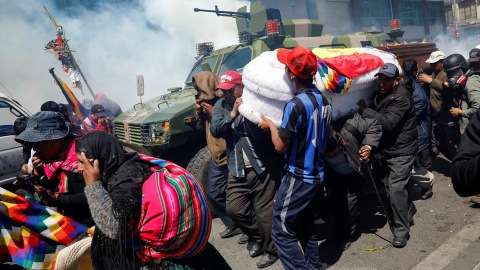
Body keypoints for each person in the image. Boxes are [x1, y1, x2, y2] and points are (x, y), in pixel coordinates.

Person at [75, 131, 231, 270]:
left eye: (81, 162)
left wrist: (93, 185)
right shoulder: (128, 167)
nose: (79, 168)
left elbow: (115, 227)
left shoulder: (127, 180)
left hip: (165, 262)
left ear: (95, 160)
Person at [258, 46, 331, 270]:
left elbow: (280, 147)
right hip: (318, 175)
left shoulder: (295, 105)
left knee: (280, 229)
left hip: (299, 177)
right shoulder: (324, 99)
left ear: (291, 75)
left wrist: (270, 125)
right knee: (305, 227)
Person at [211, 70, 281, 268]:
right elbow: (215, 130)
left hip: (261, 166)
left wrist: (247, 113)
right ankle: (259, 236)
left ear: (241, 87)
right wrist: (232, 115)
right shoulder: (221, 106)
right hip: (237, 167)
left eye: (230, 90)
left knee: (264, 213)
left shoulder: (255, 103)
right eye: (223, 91)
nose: (226, 94)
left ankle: (271, 249)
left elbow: (264, 133)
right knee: (235, 209)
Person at [358, 63, 418, 248]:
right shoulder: (381, 95)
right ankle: (404, 214)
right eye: (380, 79)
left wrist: (365, 110)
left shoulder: (401, 98)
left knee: (396, 188)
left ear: (397, 80)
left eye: (386, 79)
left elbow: (388, 123)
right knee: (389, 186)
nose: (381, 83)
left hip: (402, 150)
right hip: (386, 150)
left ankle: (401, 230)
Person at [192, 71, 246, 243]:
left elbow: (229, 126)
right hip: (216, 157)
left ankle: (248, 227)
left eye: (200, 89)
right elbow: (210, 128)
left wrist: (213, 110)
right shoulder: (207, 104)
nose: (199, 94)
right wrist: (201, 114)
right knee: (213, 193)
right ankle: (233, 224)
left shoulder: (223, 102)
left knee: (239, 198)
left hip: (227, 155)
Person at [14, 111, 93, 227]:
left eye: (39, 142)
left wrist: (58, 200)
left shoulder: (82, 156)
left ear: (57, 139)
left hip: (93, 225)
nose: (35, 148)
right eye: (33, 144)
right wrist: (38, 173)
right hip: (73, 224)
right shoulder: (53, 161)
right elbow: (55, 186)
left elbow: (96, 194)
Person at [323, 115, 382, 251]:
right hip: (334, 174)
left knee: (348, 205)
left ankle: (344, 236)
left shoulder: (351, 126)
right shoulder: (314, 140)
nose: (332, 156)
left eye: (334, 153)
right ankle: (343, 222)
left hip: (356, 171)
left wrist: (367, 146)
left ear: (340, 142)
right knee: (333, 202)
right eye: (328, 156)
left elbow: (375, 124)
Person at [402, 60, 435, 200]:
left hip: (419, 131)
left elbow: (413, 116)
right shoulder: (407, 86)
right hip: (411, 131)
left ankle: (427, 186)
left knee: (423, 159)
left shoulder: (419, 95)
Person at [418, 51, 460, 160]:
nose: (432, 66)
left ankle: (459, 168)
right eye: (431, 64)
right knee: (439, 144)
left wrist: (431, 81)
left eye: (435, 63)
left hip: (448, 115)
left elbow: (447, 88)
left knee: (454, 145)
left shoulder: (447, 74)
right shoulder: (435, 74)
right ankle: (455, 162)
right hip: (437, 116)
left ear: (442, 62)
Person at [449, 49, 480, 120]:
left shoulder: (472, 80)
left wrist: (460, 113)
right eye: (472, 62)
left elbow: (478, 108)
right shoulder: (470, 71)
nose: (474, 64)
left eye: (476, 62)